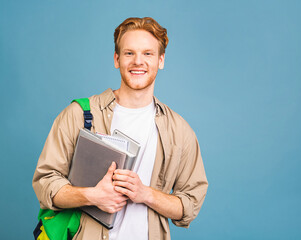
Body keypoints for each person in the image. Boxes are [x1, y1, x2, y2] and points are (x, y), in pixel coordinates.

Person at [32, 17, 208, 240]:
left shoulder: (180, 131)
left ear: (161, 60)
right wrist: (92, 196)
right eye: (129, 53)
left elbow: (189, 205)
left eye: (148, 53)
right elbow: (45, 183)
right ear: (117, 59)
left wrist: (145, 194)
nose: (138, 61)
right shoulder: (78, 114)